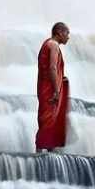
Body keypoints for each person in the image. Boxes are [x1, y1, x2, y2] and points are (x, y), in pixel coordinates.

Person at [35, 22, 70, 152]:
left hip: (44, 88)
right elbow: (52, 67)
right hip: (49, 90)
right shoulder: (53, 45)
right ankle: (41, 153)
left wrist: (62, 79)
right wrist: (56, 90)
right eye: (67, 33)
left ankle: (48, 153)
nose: (68, 36)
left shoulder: (47, 44)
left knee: (48, 120)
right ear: (59, 32)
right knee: (48, 120)